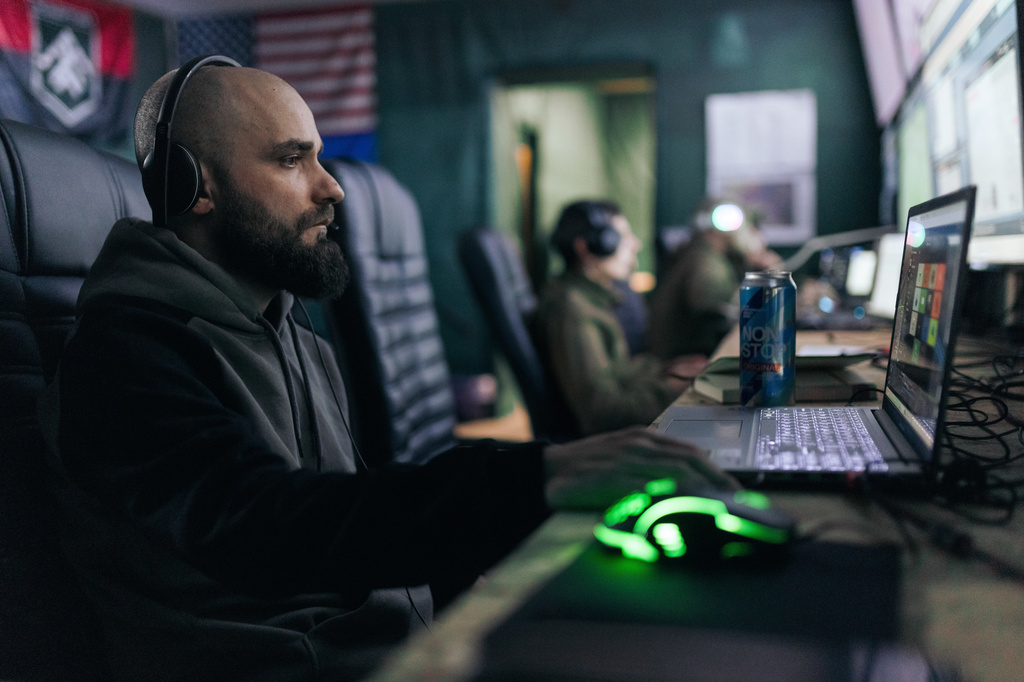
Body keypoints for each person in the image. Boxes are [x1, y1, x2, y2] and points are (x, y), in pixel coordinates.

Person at [37, 60, 735, 682]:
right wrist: (538, 480)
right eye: (292, 161)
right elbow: (268, 526)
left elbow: (351, 507)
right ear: (197, 186)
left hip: (389, 644)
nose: (332, 188)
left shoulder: (292, 333)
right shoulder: (127, 354)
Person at [536, 200, 708, 437]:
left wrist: (667, 371)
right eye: (622, 237)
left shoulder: (593, 298)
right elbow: (602, 411)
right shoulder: (573, 311)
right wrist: (683, 389)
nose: (635, 244)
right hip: (607, 443)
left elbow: (616, 374)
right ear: (588, 247)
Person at [648, 197, 781, 359]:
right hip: (682, 360)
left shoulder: (707, 256)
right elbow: (720, 310)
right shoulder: (705, 262)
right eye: (751, 230)